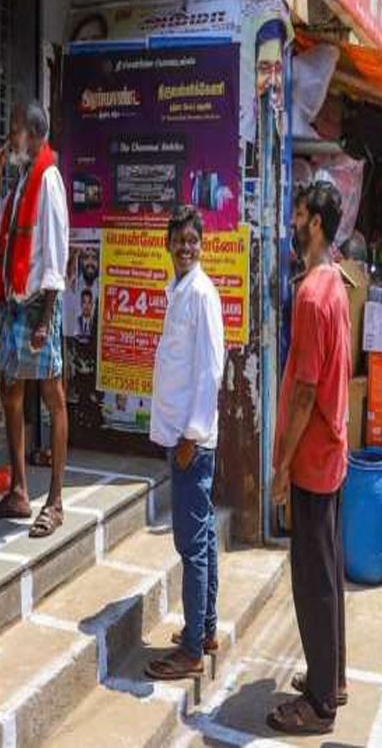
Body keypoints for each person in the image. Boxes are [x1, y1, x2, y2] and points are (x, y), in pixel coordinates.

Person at [267, 181, 351, 736]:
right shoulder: (334, 285)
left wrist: (280, 466)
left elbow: (303, 389)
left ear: (315, 223)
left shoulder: (313, 294)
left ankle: (320, 703)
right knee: (328, 571)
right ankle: (331, 677)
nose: (293, 225)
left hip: (314, 454)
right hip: (330, 451)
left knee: (312, 579)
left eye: (298, 216)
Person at [144, 206, 226, 681]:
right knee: (204, 536)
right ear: (168, 244)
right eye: (179, 240)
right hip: (182, 435)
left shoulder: (202, 295)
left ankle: (193, 649)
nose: (186, 247)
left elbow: (210, 370)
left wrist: (191, 436)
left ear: (202, 245)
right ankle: (205, 628)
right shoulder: (178, 290)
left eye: (193, 240)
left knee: (191, 543)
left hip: (191, 441)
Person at [0, 102, 69, 537]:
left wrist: (45, 320)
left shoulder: (48, 180)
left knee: (52, 394)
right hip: (14, 304)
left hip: (39, 304)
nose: (9, 135)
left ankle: (54, 501)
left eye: (14, 128)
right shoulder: (20, 183)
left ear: (33, 133)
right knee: (9, 389)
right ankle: (19, 490)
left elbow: (57, 255)